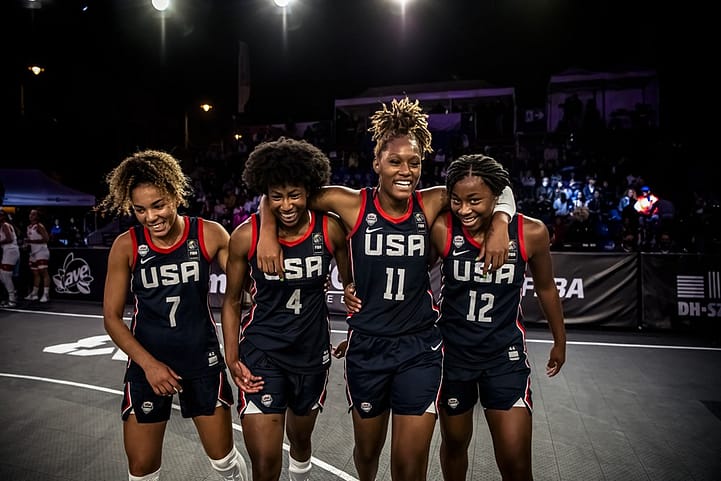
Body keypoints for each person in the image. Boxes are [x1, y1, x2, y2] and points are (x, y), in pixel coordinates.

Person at [256, 97, 516, 481]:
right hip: (368, 346)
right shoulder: (350, 203)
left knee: (409, 466)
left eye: (414, 162)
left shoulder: (431, 202)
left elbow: (500, 187)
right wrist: (266, 228)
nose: (406, 170)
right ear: (376, 162)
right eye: (395, 161)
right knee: (366, 454)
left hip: (419, 347)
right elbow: (285, 193)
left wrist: (501, 223)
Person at [99, 149, 248, 481]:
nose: (150, 217)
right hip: (147, 362)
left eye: (158, 205)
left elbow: (243, 290)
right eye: (140, 209)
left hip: (201, 359)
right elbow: (111, 317)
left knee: (223, 460)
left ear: (176, 195)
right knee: (141, 470)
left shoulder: (209, 233)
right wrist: (149, 365)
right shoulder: (126, 245)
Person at [221, 137, 352, 481]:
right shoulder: (245, 236)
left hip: (311, 353)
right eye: (276, 196)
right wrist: (232, 357)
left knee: (301, 440)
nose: (286, 204)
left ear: (308, 191)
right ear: (265, 195)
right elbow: (231, 301)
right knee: (265, 462)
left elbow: (353, 287)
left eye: (294, 194)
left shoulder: (330, 229)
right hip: (262, 352)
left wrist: (356, 330)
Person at [429, 154, 566, 481]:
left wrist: (560, 341)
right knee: (454, 445)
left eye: (475, 201)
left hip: (504, 357)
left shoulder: (531, 232)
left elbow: (546, 288)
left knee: (516, 463)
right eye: (457, 201)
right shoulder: (442, 228)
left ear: (498, 196)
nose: (464, 209)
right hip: (453, 355)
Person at [24, 208, 51, 302]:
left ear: (38, 217)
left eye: (33, 214)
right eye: (30, 214)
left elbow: (46, 239)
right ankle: (34, 293)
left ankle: (46, 294)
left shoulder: (39, 226)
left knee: (44, 272)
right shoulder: (29, 227)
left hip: (41, 251)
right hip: (33, 252)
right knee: (35, 273)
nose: (31, 215)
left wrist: (31, 241)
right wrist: (26, 244)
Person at [0, 210, 20, 307]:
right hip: (8, 251)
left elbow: (9, 239)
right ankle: (12, 293)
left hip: (10, 250)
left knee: (5, 274)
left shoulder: (5, 225)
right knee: (1, 275)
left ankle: (12, 298)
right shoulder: (4, 226)